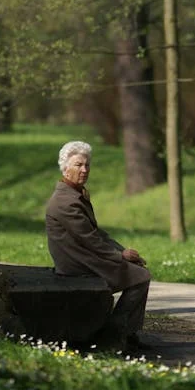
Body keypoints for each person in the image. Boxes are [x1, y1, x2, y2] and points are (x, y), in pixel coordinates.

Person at [45, 140, 152, 351]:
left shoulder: (75, 194)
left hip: (85, 256)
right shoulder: (65, 201)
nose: (84, 170)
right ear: (65, 168)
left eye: (87, 165)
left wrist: (122, 251)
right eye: (78, 165)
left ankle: (127, 333)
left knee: (140, 272)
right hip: (77, 263)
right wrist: (120, 256)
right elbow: (91, 240)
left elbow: (96, 233)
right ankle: (114, 334)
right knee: (141, 276)